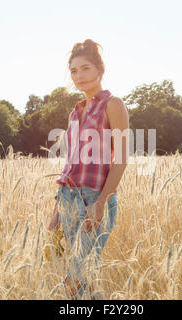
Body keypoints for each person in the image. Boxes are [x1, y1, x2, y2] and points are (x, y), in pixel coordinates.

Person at [47, 39, 129, 299]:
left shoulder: (113, 105)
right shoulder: (76, 111)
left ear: (99, 69)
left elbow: (122, 158)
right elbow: (70, 162)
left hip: (95, 198)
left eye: (85, 68)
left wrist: (101, 202)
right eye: (73, 71)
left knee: (76, 279)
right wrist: (56, 210)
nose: (79, 76)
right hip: (68, 200)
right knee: (83, 280)